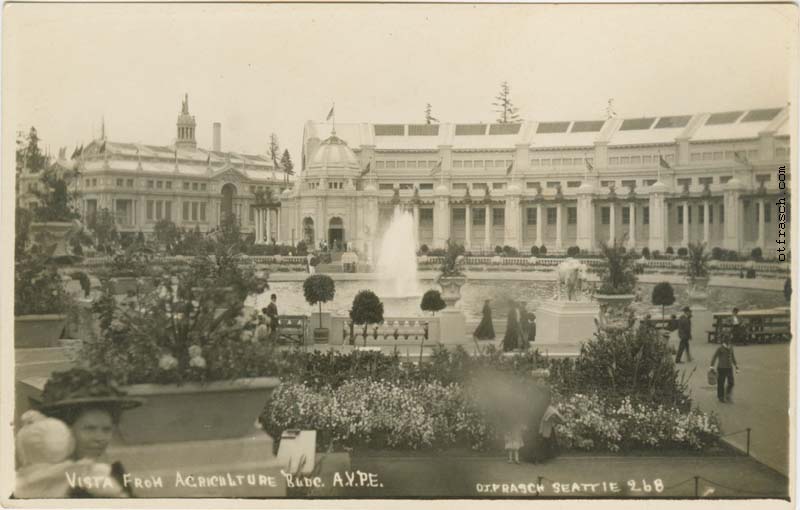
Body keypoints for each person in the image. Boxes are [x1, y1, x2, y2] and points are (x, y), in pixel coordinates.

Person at [34, 368, 142, 498]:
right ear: (64, 429)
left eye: (106, 429)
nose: (100, 438)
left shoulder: (112, 475)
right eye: (89, 429)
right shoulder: (41, 481)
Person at [710, 336, 738, 403]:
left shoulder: (731, 347)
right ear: (724, 341)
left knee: (731, 382)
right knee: (721, 383)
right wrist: (712, 366)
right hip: (721, 368)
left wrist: (736, 365)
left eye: (729, 341)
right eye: (727, 341)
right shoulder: (720, 348)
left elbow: (733, 357)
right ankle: (721, 397)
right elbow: (714, 357)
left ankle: (728, 394)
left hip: (729, 368)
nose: (729, 342)